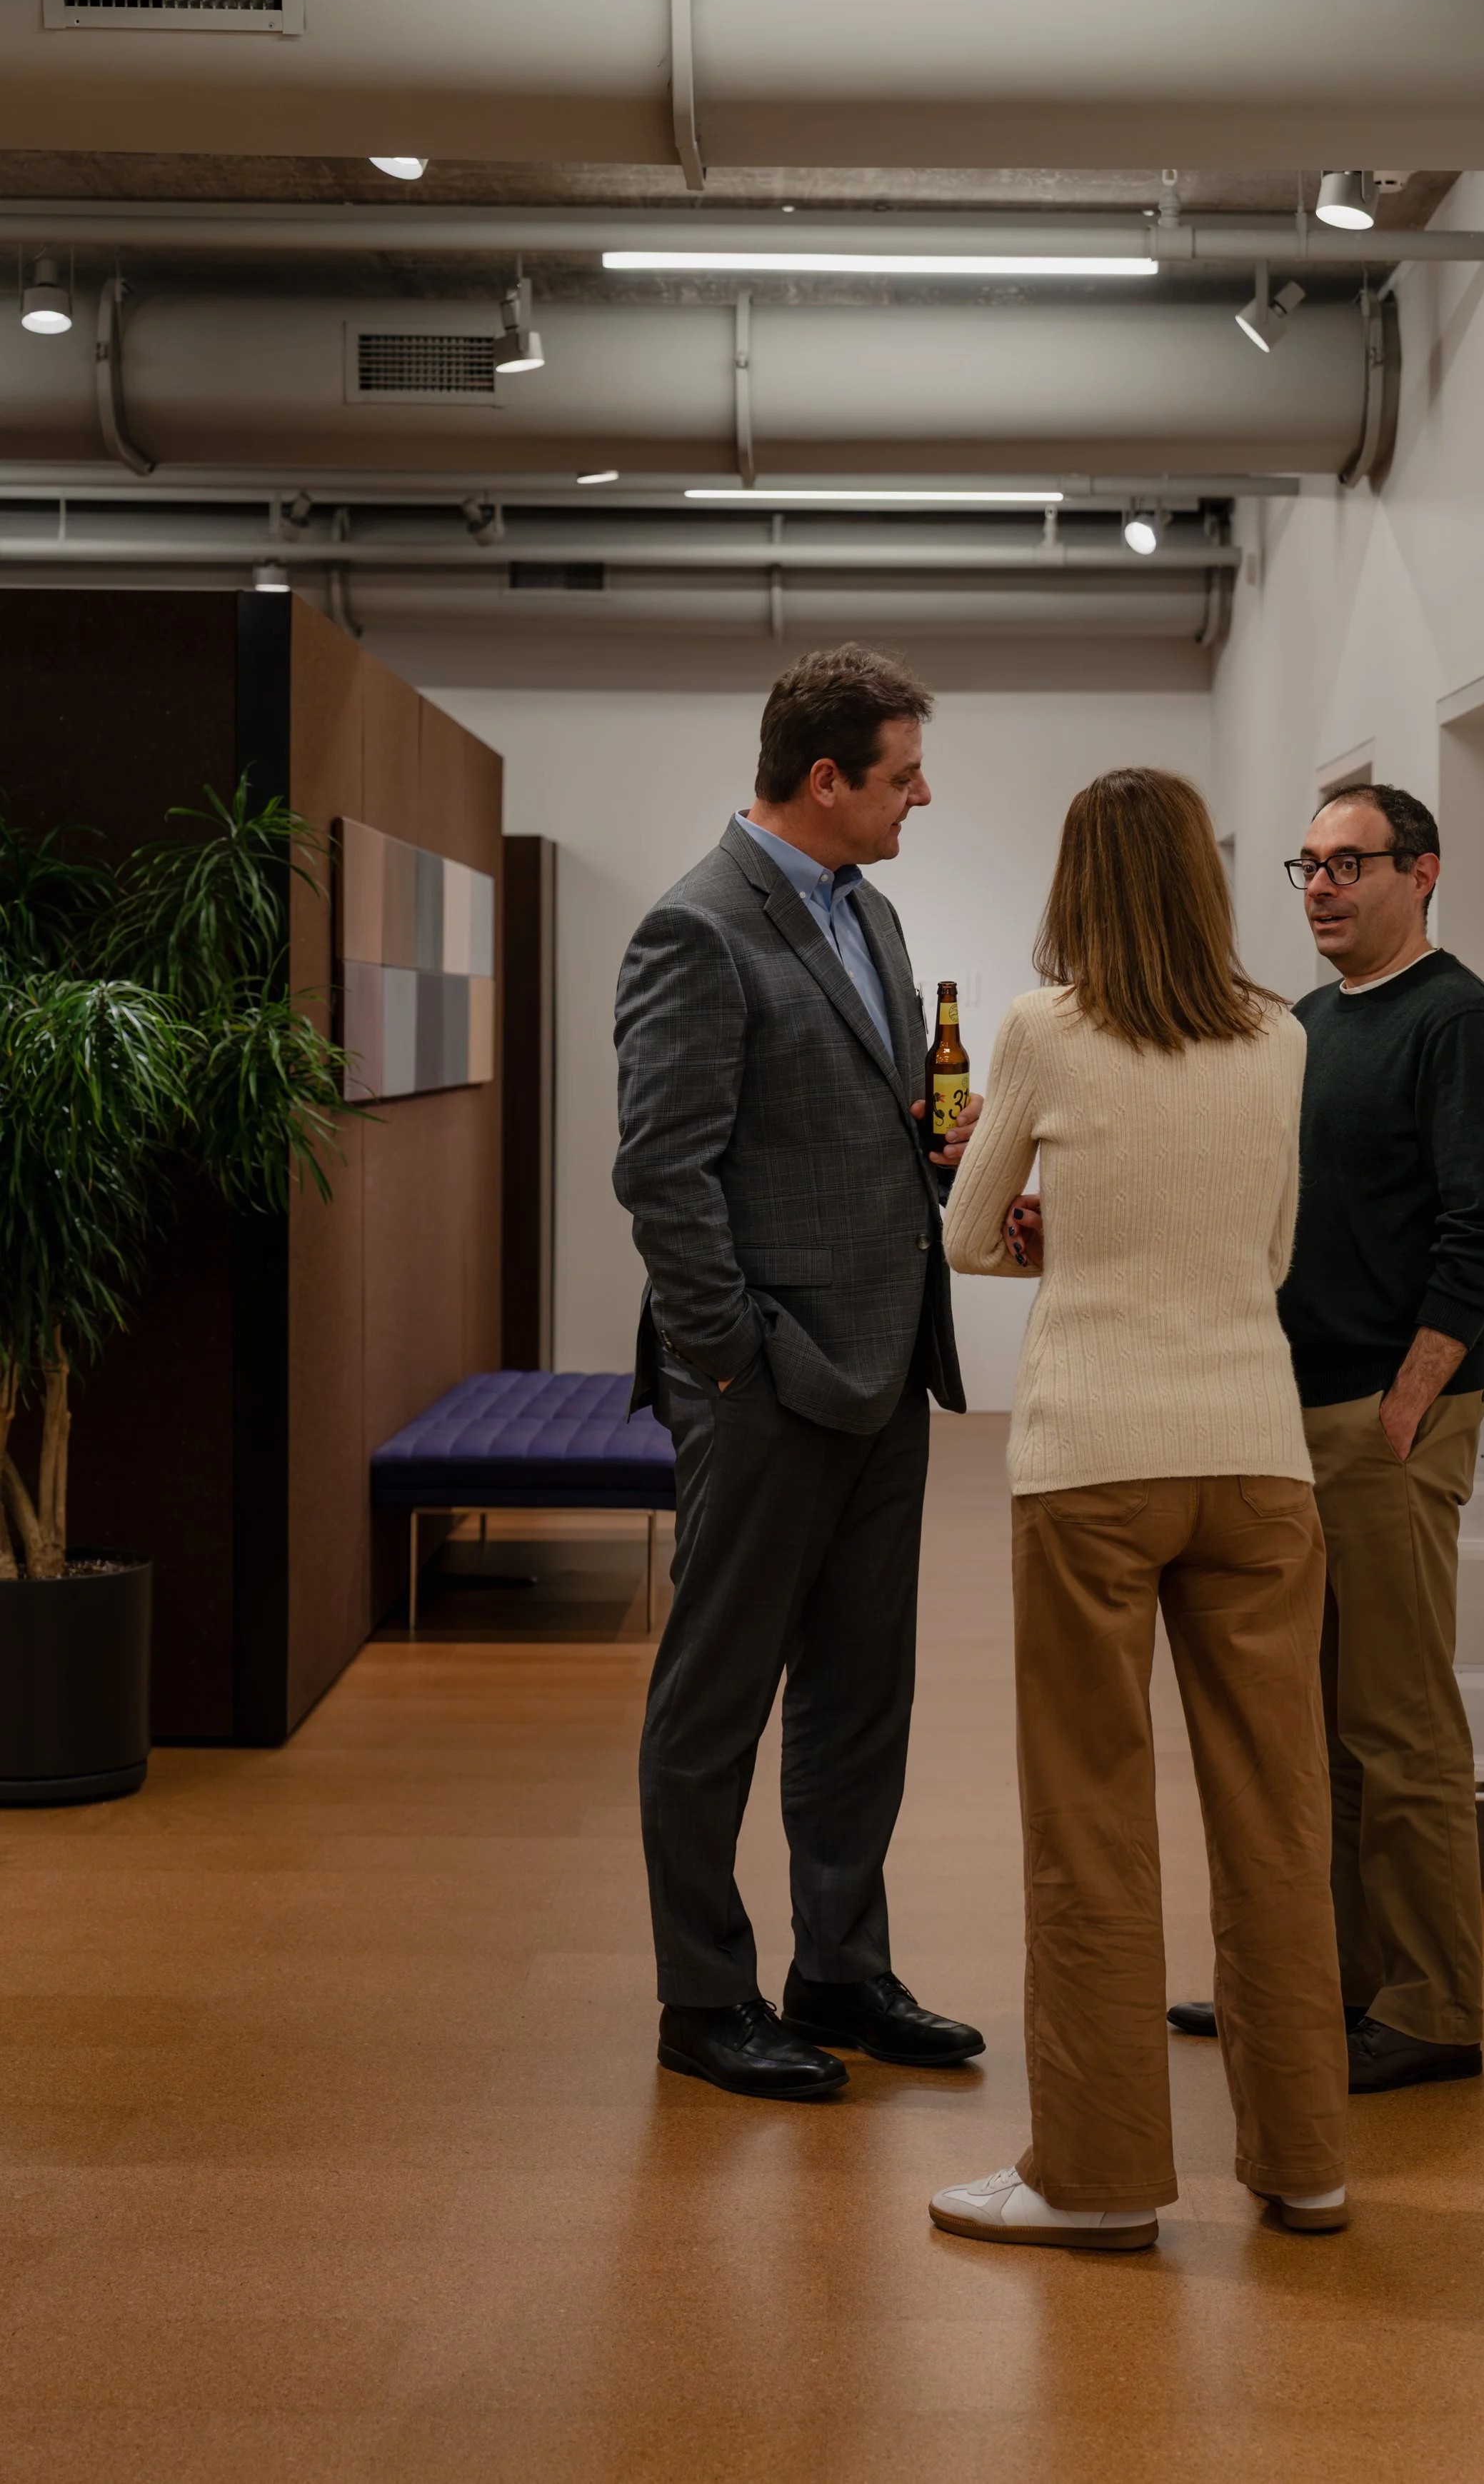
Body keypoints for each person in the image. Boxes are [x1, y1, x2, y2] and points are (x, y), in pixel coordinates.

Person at [928, 768, 1349, 2255]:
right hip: (1254, 1456)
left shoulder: (1045, 1030)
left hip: (1091, 1461)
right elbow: (1273, 1247)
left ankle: (1097, 2181)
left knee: (1091, 1825)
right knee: (1276, 1821)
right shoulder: (1281, 1037)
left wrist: (1065, 1240)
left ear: (1075, 883)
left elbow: (971, 1232)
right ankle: (1304, 2165)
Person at [613, 645, 985, 2101]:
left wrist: (928, 1155)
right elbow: (661, 1173)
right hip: (766, 1386)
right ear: (824, 780)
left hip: (886, 1374)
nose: (921, 796)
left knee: (856, 1696)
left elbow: (852, 1121)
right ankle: (702, 1999)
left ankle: (836, 1966)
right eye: (901, 775)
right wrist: (732, 1360)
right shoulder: (698, 930)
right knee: (715, 1703)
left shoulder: (869, 918)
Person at [1169, 783, 1484, 2093]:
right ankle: (1325, 1982)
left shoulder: (1457, 1021)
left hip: (1388, 1420)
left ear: (1421, 873)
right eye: (1306, 865)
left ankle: (1432, 2009)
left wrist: (1412, 1393)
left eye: (1349, 864)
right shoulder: (1312, 1023)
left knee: (1398, 1721)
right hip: (1291, 1412)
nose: (1320, 886)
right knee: (1313, 1724)